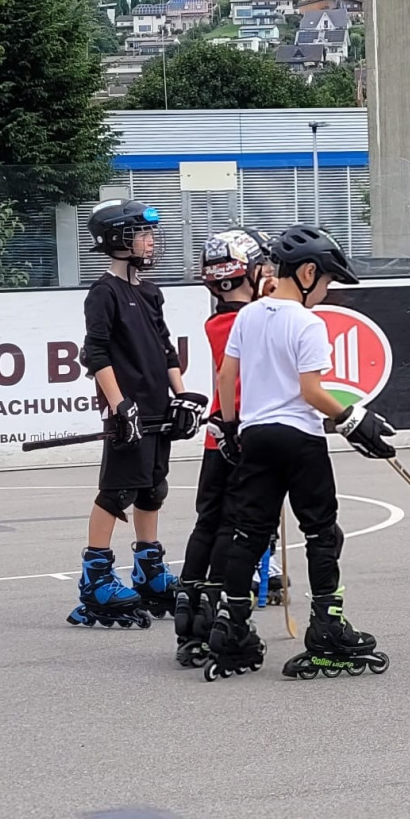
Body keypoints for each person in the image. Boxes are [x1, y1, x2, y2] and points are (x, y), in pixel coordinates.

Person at [204, 225, 397, 681]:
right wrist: (353, 418)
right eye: (326, 281)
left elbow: (226, 377)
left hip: (255, 436)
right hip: (299, 439)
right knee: (321, 532)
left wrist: (230, 428)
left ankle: (232, 627)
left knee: (249, 533)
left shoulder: (248, 315)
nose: (326, 291)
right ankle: (327, 626)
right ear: (308, 273)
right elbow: (310, 391)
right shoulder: (309, 323)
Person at [67, 199, 207, 628]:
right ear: (117, 240)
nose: (150, 242)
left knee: (152, 489)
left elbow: (166, 349)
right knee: (117, 491)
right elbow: (96, 353)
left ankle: (149, 571)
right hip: (128, 412)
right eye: (142, 235)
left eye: (149, 235)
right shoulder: (104, 293)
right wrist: (119, 405)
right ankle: (96, 578)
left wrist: (181, 396)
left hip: (158, 408)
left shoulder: (150, 292)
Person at [173, 227, 275, 667]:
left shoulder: (219, 321)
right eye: (263, 267)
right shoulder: (250, 321)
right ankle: (216, 608)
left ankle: (191, 605)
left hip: (219, 433)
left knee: (208, 521)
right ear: (246, 272)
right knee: (231, 525)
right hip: (241, 432)